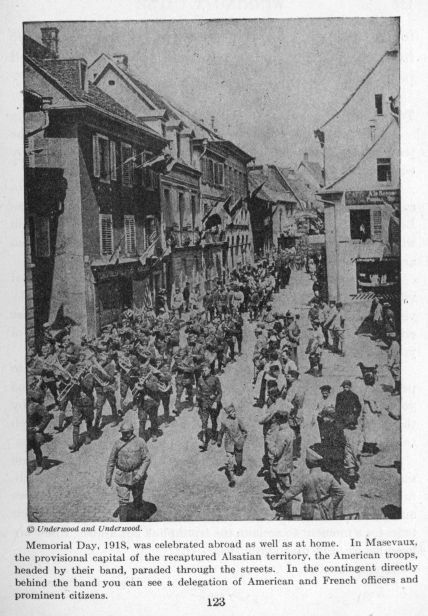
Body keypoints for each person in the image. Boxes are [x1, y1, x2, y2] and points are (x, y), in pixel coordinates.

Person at [274, 448, 344, 520]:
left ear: (309, 463)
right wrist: (331, 505)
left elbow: (290, 493)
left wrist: (277, 504)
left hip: (308, 513)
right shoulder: (328, 476)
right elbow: (341, 492)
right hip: (325, 512)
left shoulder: (305, 479)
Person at [106, 419, 151, 522]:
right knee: (123, 501)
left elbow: (147, 459)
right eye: (123, 433)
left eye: (127, 433)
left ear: (132, 431)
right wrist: (108, 476)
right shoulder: (117, 443)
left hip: (137, 476)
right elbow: (111, 461)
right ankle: (124, 523)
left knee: (137, 497)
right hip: (122, 475)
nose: (125, 435)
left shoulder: (140, 442)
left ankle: (139, 520)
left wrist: (140, 474)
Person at [217, 404, 248, 487]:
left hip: (238, 442)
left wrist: (242, 439)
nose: (234, 413)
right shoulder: (225, 422)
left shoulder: (238, 420)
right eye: (232, 412)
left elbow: (244, 431)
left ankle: (239, 468)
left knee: (239, 459)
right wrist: (219, 441)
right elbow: (221, 432)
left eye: (234, 411)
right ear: (228, 414)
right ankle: (232, 479)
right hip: (229, 443)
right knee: (230, 460)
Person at [196, 363, 222, 451]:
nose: (204, 372)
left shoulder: (215, 379)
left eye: (205, 370)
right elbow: (198, 391)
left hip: (213, 403)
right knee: (204, 421)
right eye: (202, 370)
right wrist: (198, 401)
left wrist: (216, 402)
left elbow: (219, 392)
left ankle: (214, 436)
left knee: (213, 420)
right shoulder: (200, 380)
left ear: (210, 370)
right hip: (204, 403)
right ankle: (204, 441)